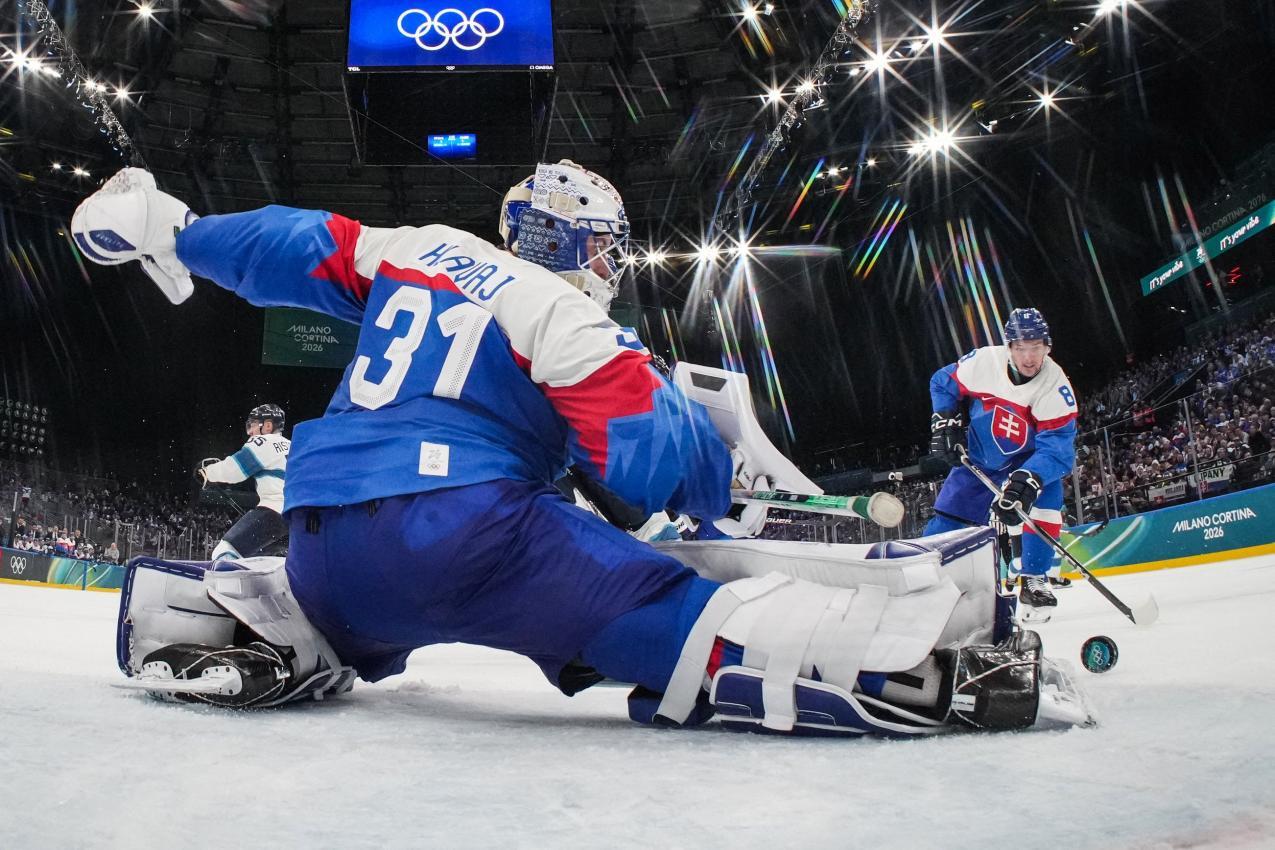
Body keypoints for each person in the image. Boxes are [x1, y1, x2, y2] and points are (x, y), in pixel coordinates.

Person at [73, 165, 1090, 735]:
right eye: (602, 242)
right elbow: (648, 458)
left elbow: (293, 246)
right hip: (468, 534)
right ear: (561, 241)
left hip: (326, 546)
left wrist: (181, 229)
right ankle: (933, 671)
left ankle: (257, 609)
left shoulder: (414, 248)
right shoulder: (555, 303)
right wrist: (710, 469)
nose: (609, 261)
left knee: (375, 576)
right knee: (685, 614)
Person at [924, 308, 1079, 614]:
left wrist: (1031, 478)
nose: (1029, 357)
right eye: (1020, 348)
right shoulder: (984, 362)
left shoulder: (1055, 387)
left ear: (1048, 347)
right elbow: (942, 382)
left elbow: (1058, 448)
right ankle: (920, 568)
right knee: (949, 519)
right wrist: (945, 420)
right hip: (980, 457)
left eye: (1036, 347)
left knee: (1047, 496)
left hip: (1027, 459)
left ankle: (1034, 578)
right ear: (1009, 347)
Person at [197, 404, 291, 559]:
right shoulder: (294, 445)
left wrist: (207, 472)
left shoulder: (264, 441)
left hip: (274, 511)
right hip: (297, 518)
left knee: (224, 552)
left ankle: (228, 584)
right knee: (266, 560)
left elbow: (234, 470)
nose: (250, 431)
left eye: (253, 425)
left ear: (267, 426)